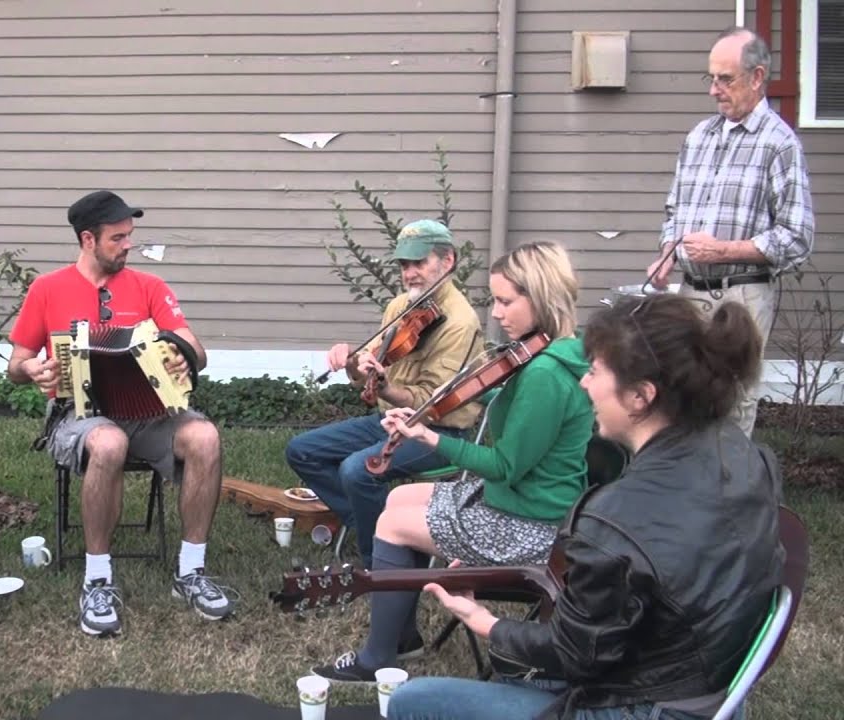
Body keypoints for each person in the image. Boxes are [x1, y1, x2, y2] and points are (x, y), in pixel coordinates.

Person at [385, 293, 784, 720]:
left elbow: (575, 655)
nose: (584, 383)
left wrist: (484, 620)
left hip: (644, 706)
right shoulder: (747, 456)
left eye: (595, 371)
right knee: (519, 674)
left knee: (413, 702)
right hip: (705, 682)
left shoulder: (613, 522)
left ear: (640, 396)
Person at [313, 241, 594, 682]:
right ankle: (400, 634)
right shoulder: (557, 352)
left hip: (531, 527)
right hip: (531, 501)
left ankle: (378, 657)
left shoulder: (545, 373)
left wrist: (428, 436)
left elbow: (503, 465)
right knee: (400, 496)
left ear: (540, 297)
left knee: (392, 524)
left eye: (505, 301)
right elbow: (527, 428)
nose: (496, 314)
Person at [7, 189, 234, 637]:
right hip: (78, 413)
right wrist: (32, 368)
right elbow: (16, 364)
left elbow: (197, 350)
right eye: (117, 238)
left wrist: (184, 357)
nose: (128, 245)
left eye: (130, 235)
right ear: (88, 240)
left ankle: (191, 571)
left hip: (148, 412)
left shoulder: (150, 287)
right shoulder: (47, 289)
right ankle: (97, 579)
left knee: (205, 437)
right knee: (109, 441)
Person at [285, 219, 483, 568]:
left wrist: (387, 387)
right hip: (390, 420)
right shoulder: (401, 307)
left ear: (447, 261)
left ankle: (378, 564)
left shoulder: (460, 323)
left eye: (419, 263)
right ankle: (385, 533)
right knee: (302, 451)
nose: (410, 273)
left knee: (356, 470)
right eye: (404, 265)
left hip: (438, 433)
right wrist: (350, 363)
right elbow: (368, 374)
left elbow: (431, 406)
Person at [647, 26, 814, 437]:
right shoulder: (699, 138)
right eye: (711, 78)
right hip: (690, 292)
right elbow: (675, 211)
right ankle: (686, 491)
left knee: (732, 403)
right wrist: (668, 253)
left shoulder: (779, 144)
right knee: (682, 395)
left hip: (743, 296)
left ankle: (725, 494)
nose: (714, 90)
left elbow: (797, 236)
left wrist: (724, 251)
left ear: (757, 78)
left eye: (726, 79)